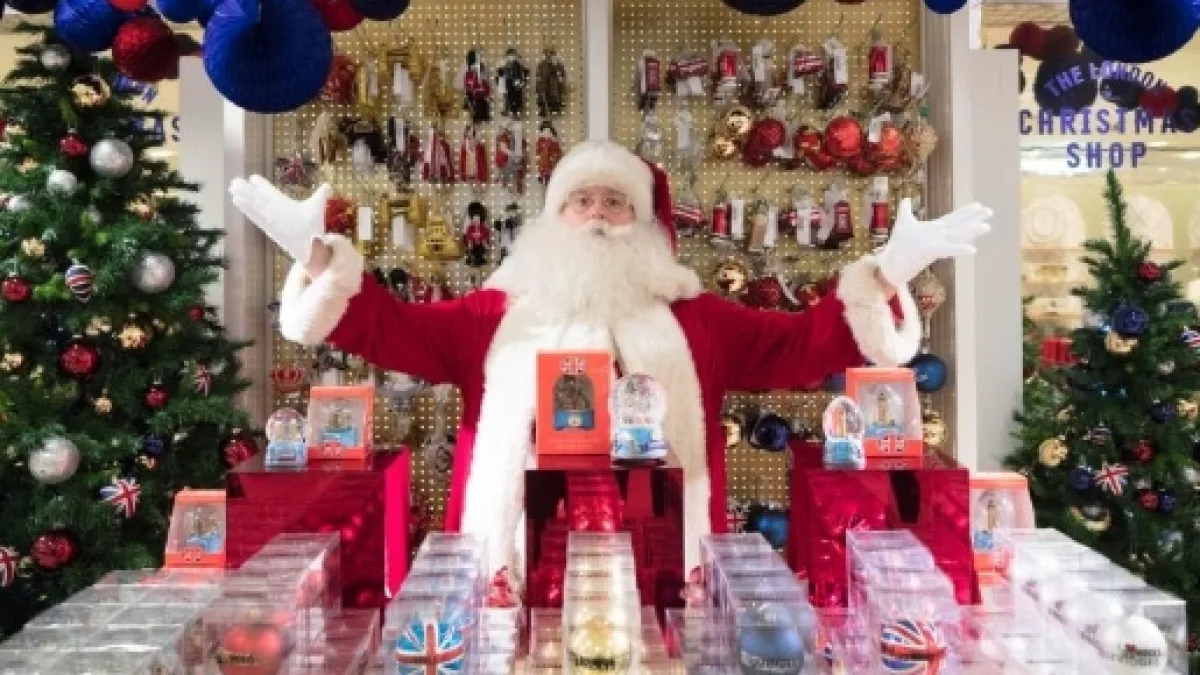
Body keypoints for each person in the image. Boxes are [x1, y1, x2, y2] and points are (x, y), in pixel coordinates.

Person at [229, 140, 991, 579]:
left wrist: (884, 277)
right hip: (515, 564)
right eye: (580, 200)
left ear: (644, 222)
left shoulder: (696, 319)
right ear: (553, 218)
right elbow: (385, 327)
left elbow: (801, 347)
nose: (597, 214)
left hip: (660, 562)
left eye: (615, 202)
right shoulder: (492, 316)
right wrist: (319, 258)